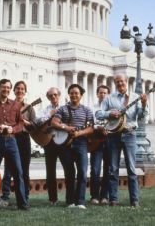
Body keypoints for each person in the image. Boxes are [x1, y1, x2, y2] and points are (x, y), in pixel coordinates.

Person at [96, 74, 148, 208]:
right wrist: (109, 114)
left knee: (131, 168)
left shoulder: (135, 97)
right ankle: (113, 199)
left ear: (127, 82)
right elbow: (98, 113)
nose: (120, 84)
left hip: (129, 134)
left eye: (122, 81)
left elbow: (141, 116)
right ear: (115, 83)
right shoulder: (109, 98)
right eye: (117, 82)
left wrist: (143, 104)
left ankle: (134, 200)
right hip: (113, 135)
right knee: (113, 168)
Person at [0, 79, 30, 210]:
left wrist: (13, 129)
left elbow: (20, 123)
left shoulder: (15, 105)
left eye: (8, 88)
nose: (6, 90)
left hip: (12, 141)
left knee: (18, 172)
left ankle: (23, 204)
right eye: (3, 87)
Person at [51, 84, 94, 209]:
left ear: (81, 95)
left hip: (81, 143)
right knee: (69, 173)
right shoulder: (63, 109)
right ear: (69, 94)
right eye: (71, 93)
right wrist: (66, 127)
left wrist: (79, 133)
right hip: (65, 145)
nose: (74, 95)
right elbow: (54, 122)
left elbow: (91, 128)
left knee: (82, 172)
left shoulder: (87, 110)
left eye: (76, 93)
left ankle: (80, 201)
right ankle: (70, 201)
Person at [0, 80, 36, 207]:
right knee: (8, 170)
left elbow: (34, 125)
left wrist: (24, 122)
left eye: (22, 89)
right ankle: (5, 197)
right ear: (14, 90)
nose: (20, 91)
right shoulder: (9, 105)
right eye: (17, 88)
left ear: (25, 92)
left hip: (24, 138)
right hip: (12, 137)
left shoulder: (30, 107)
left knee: (24, 170)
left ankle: (24, 197)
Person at [34, 87, 63, 205]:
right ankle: (53, 199)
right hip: (49, 142)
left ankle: (71, 198)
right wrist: (50, 115)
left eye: (55, 95)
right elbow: (38, 121)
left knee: (69, 169)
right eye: (50, 96)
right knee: (50, 171)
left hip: (63, 141)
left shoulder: (65, 107)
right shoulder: (46, 109)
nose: (53, 97)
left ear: (59, 95)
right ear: (48, 98)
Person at [89, 85, 110, 205]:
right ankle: (94, 196)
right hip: (96, 140)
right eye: (100, 93)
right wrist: (99, 127)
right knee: (95, 170)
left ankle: (104, 196)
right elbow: (90, 124)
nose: (102, 95)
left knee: (108, 170)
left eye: (105, 93)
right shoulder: (92, 108)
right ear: (97, 94)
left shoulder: (111, 108)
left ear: (108, 95)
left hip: (109, 141)